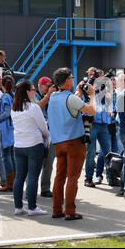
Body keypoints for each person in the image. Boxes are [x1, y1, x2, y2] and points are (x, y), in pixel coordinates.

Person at [48, 67, 96, 220]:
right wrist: (92, 95)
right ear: (67, 80)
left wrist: (78, 93)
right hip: (74, 141)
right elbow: (92, 110)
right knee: (73, 177)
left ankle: (56, 209)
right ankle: (70, 210)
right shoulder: (72, 98)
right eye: (72, 78)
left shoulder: (53, 96)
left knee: (59, 176)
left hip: (58, 141)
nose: (74, 80)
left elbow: (70, 100)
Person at [11, 80, 50, 216]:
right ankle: (32, 208)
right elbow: (43, 127)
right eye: (33, 89)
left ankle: (18, 207)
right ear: (27, 91)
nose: (34, 91)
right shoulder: (33, 108)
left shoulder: (14, 108)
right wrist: (47, 137)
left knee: (19, 177)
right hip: (34, 144)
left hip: (19, 145)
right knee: (33, 177)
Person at [83, 73, 113, 187]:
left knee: (108, 152)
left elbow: (110, 107)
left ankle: (111, 177)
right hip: (91, 124)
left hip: (104, 125)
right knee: (90, 153)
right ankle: (88, 178)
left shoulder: (104, 94)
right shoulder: (87, 94)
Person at [33, 76, 57, 197]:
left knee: (49, 162)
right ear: (40, 85)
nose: (49, 88)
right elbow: (37, 108)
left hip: (50, 133)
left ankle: (45, 188)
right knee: (35, 163)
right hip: (37, 134)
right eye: (47, 86)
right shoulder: (35, 96)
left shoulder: (52, 96)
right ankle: (31, 189)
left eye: (50, 86)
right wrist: (48, 95)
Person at [0, 75, 16, 192]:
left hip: (6, 129)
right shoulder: (12, 95)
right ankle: (14, 182)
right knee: (11, 156)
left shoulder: (6, 96)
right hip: (11, 129)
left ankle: (10, 183)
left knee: (6, 156)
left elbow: (7, 113)